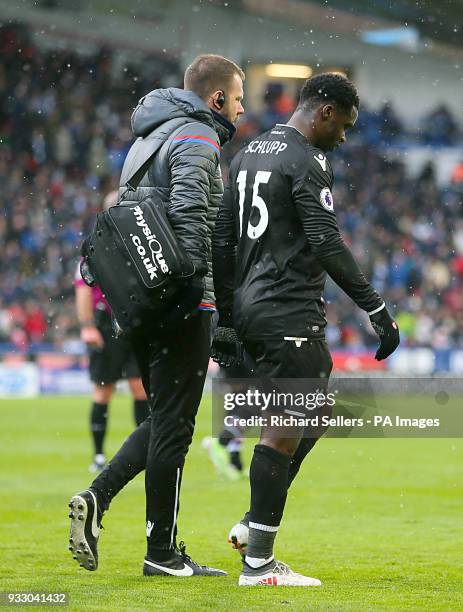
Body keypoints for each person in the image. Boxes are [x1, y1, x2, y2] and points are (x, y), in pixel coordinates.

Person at [211, 73, 400, 586]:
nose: (344, 137)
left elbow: (223, 240)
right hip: (288, 309)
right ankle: (259, 563)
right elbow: (324, 239)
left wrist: (227, 319)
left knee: (312, 414)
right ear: (322, 112)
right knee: (286, 427)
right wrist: (375, 306)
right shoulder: (307, 160)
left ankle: (253, 526)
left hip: (255, 308)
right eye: (343, 125)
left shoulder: (248, 152)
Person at [68, 54, 245, 577]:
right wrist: (199, 298)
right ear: (216, 99)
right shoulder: (198, 135)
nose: (239, 109)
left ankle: (118, 517)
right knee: (175, 424)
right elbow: (192, 215)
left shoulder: (147, 138)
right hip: (177, 297)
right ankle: (159, 551)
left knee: (166, 417)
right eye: (236, 98)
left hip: (140, 298)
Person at [75, 191, 149, 473]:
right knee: (103, 390)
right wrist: (88, 326)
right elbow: (82, 287)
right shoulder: (95, 244)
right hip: (106, 323)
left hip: (133, 320)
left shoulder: (135, 241)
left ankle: (144, 450)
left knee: (139, 386)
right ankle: (97, 455)